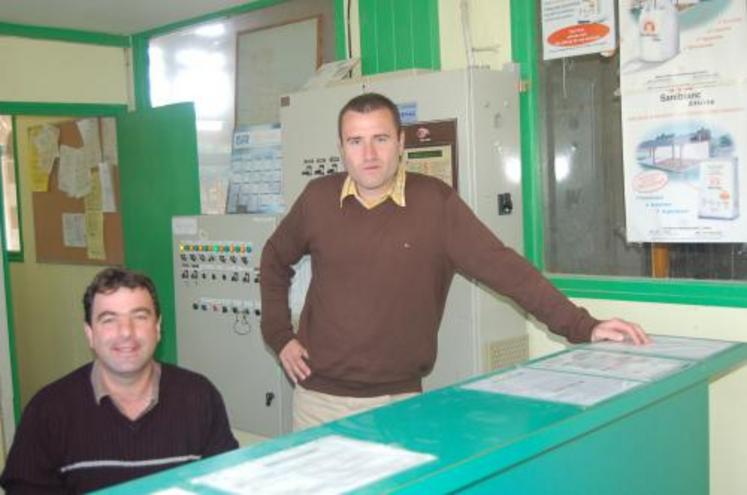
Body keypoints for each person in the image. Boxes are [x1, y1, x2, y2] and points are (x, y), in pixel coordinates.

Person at [260, 92, 649, 431]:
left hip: (400, 402)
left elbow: (505, 269)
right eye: (356, 141)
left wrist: (584, 325)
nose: (369, 154)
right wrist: (280, 336)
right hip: (319, 400)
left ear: (400, 142)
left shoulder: (435, 203)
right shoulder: (317, 199)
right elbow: (274, 259)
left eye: (380, 138)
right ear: (342, 148)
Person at [0, 267, 238, 494]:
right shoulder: (48, 411)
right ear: (90, 334)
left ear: (157, 327)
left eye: (140, 316)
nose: (126, 331)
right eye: (109, 319)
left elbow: (227, 483)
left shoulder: (200, 397)